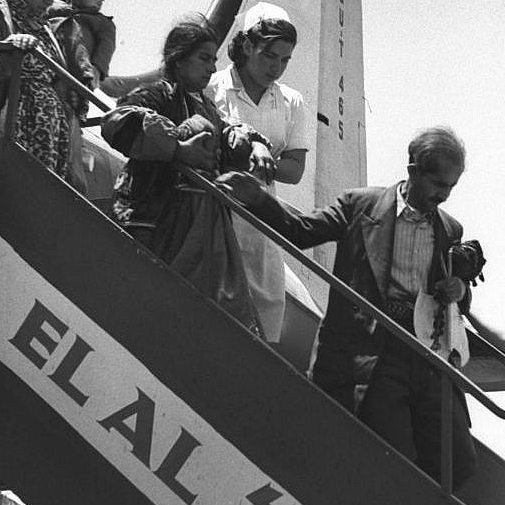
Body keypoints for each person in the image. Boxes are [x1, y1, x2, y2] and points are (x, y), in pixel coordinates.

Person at [217, 126, 478, 489]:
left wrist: (460, 288)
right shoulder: (361, 205)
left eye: (451, 187)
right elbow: (301, 230)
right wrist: (258, 198)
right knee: (389, 450)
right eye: (438, 183)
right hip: (373, 349)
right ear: (413, 169)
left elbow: (456, 301)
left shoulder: (450, 228)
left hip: (425, 357)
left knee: (458, 462)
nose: (444, 195)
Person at [101, 15, 275, 337]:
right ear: (178, 59)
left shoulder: (207, 108)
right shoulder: (156, 95)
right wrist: (179, 149)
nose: (211, 68)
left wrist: (256, 145)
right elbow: (117, 123)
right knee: (136, 309)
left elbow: (230, 134)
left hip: (199, 231)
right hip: (153, 221)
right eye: (204, 58)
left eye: (214, 60)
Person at [206, 2, 308, 343]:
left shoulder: (292, 101)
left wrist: (260, 159)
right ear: (247, 45)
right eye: (269, 56)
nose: (276, 67)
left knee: (266, 305)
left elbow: (294, 170)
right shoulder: (213, 86)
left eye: (284, 60)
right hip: (213, 209)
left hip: (262, 219)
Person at [0, 0, 92, 192]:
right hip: (17, 110)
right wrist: (9, 45)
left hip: (50, 122)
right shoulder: (4, 13)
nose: (48, 2)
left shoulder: (45, 28)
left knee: (40, 186)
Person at [47, 0, 115, 89]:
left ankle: (85, 81)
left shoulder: (101, 21)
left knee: (78, 33)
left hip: (80, 62)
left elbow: (106, 47)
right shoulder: (56, 9)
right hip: (52, 48)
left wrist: (97, 69)